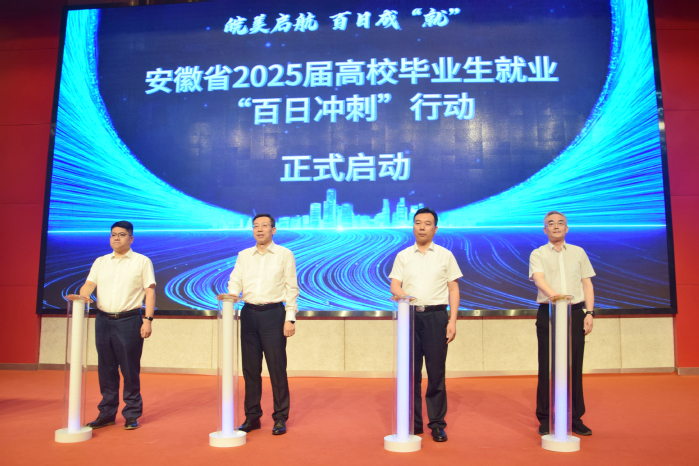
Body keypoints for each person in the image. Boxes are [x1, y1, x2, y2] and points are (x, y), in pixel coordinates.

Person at [388, 207, 462, 442]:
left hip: (436, 317)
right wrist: (403, 296)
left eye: (427, 223)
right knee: (410, 373)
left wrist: (452, 321)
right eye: (418, 223)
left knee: (436, 373)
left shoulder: (445, 255)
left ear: (435, 228)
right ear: (413, 226)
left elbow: (453, 289)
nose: (422, 227)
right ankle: (413, 422)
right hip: (409, 316)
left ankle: (437, 424)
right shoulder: (403, 256)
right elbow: (394, 284)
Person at [79, 221, 156, 431]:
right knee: (106, 368)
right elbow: (89, 284)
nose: (116, 238)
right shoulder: (101, 261)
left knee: (129, 369)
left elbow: (149, 292)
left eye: (121, 235)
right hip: (103, 320)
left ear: (131, 238)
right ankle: (107, 413)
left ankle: (131, 414)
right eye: (113, 234)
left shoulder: (142, 261)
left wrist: (148, 320)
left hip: (129, 320)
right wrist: (82, 296)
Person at [228, 214, 299, 436]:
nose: (259, 230)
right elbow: (235, 280)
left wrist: (290, 318)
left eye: (264, 226)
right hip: (249, 314)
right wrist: (232, 295)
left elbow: (292, 288)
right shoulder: (244, 255)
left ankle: (280, 418)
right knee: (250, 369)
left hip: (273, 315)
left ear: (273, 230)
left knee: (277, 368)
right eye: (256, 226)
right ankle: (252, 417)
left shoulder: (284, 254)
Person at [529, 211, 595, 436]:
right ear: (545, 229)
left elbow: (587, 284)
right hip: (548, 312)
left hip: (575, 312)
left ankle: (575, 417)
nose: (556, 226)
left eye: (560, 223)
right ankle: (545, 417)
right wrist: (557, 299)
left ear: (567, 228)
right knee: (547, 365)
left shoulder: (578, 252)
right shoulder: (538, 253)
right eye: (551, 223)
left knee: (574, 365)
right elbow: (539, 279)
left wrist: (589, 312)